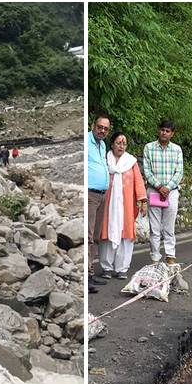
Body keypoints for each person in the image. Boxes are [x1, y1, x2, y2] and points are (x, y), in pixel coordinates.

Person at [143, 119, 187, 291]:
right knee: (154, 228)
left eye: (168, 131)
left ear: (172, 133)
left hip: (171, 191)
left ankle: (170, 256)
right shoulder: (149, 148)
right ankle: (155, 258)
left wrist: (167, 187)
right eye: (162, 130)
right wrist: (159, 186)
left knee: (169, 228)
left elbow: (179, 171)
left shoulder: (177, 150)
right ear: (158, 131)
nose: (164, 133)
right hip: (154, 190)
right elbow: (146, 170)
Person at [97, 133, 147, 280]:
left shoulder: (131, 162)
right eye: (118, 143)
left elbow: (139, 182)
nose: (121, 146)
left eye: (124, 143)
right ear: (112, 144)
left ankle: (122, 268)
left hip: (126, 206)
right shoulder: (105, 160)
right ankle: (106, 267)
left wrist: (143, 201)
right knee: (106, 234)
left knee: (125, 236)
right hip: (108, 205)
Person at [87, 113, 112, 294]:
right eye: (100, 127)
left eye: (105, 128)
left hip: (102, 195)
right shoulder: (86, 141)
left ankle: (90, 272)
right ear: (93, 125)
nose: (102, 130)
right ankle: (86, 276)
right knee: (87, 236)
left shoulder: (102, 145)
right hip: (90, 194)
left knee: (95, 236)